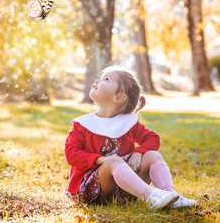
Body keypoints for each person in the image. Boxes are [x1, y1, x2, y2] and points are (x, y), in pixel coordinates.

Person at [65, 66, 197, 209]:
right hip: (90, 191)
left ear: (119, 97)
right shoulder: (83, 124)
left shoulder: (128, 123)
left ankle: (170, 196)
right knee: (114, 161)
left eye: (106, 79)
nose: (97, 81)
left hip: (124, 189)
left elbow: (153, 139)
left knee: (152, 155)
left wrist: (138, 152)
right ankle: (151, 196)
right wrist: (102, 160)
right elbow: (71, 154)